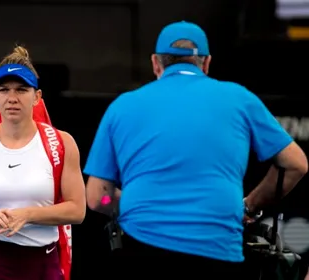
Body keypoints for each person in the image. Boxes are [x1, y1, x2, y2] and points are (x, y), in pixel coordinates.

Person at [83, 21, 308, 280]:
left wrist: (134, 203)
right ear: (206, 63)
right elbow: (296, 164)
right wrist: (249, 206)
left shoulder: (123, 106)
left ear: (156, 63)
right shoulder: (239, 98)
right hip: (217, 248)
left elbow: (97, 196)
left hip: (143, 247)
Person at [0, 45, 86, 280]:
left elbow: (77, 210)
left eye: (21, 90)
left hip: (42, 261)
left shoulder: (61, 143)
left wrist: (27, 215)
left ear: (37, 97)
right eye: (4, 90)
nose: (12, 98)